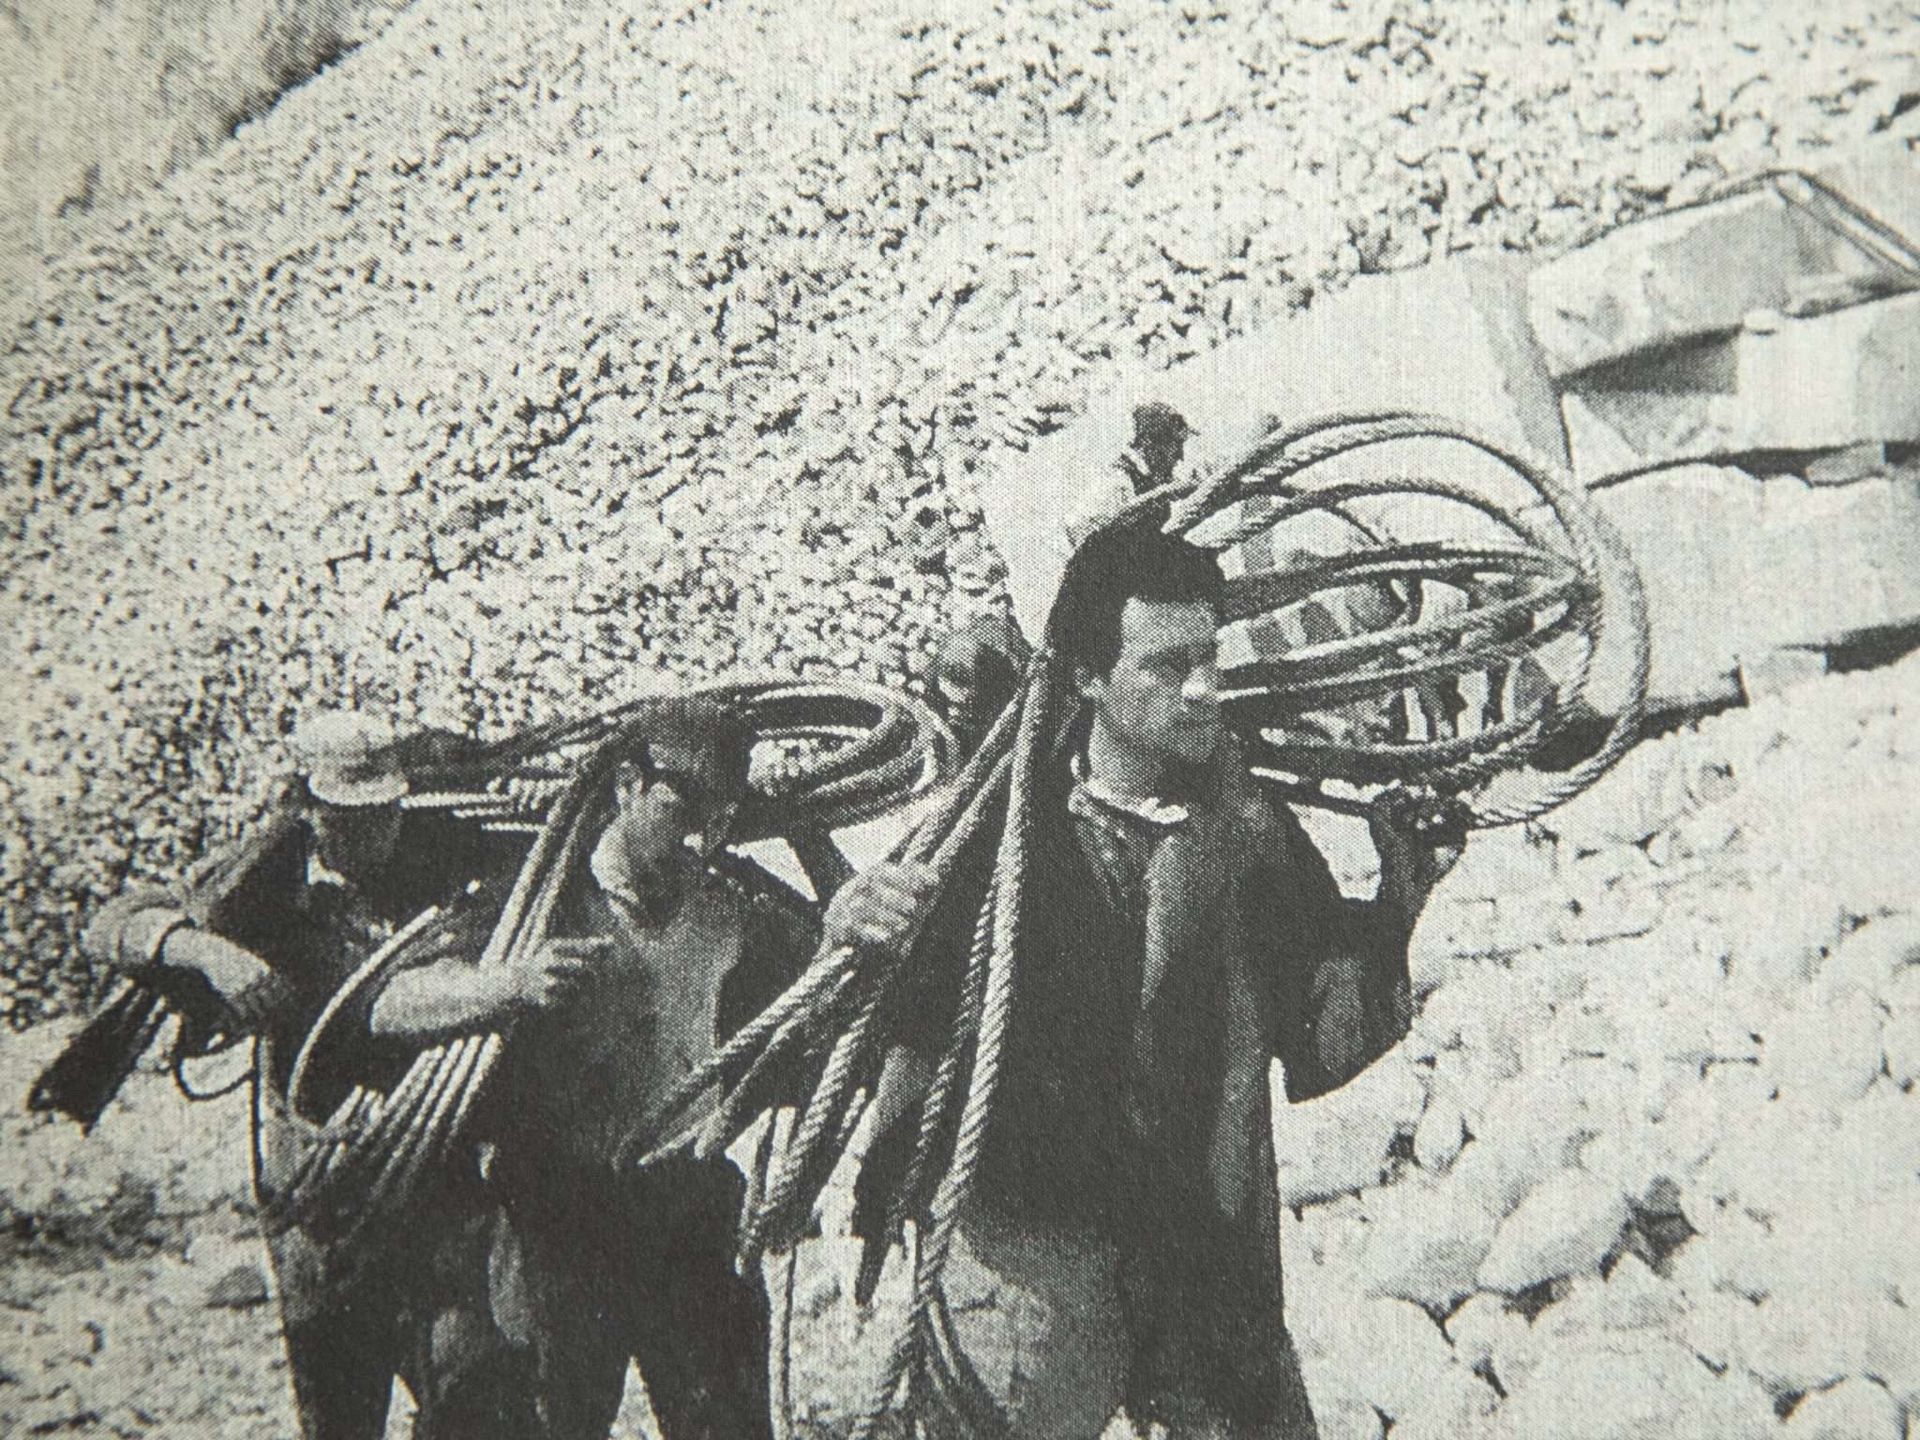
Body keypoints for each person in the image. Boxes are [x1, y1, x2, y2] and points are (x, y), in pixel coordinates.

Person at [823, 520, 1466, 1438]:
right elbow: (884, 1033)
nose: (1202, 687)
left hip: (1204, 1256)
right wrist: (848, 932)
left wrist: (1403, 897)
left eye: (1207, 658)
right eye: (1166, 666)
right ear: (1089, 678)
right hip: (1031, 1265)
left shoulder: (1247, 833)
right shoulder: (996, 839)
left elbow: (1322, 1030)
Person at [80, 710, 566, 1440]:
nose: (374, 832)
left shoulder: (437, 853)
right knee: (341, 1410)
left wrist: (535, 807)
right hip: (323, 1199)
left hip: (439, 1182)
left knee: (478, 1397)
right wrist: (207, 953)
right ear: (308, 809)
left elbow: (556, 851)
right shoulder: (264, 889)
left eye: (385, 812)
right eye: (350, 816)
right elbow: (114, 925)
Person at [480, 697, 844, 1440]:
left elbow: (838, 966)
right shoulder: (539, 900)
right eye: (686, 805)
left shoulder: (729, 905)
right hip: (560, 1208)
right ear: (628, 784)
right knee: (554, 1420)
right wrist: (508, 986)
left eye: (723, 813)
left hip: (685, 1200)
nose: (704, 834)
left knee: (727, 1423)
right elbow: (409, 999)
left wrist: (807, 833)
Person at [1064, 400, 1195, 549]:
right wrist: (1163, 494)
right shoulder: (1118, 479)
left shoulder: (1150, 480)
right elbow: (1079, 530)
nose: (1180, 456)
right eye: (1175, 445)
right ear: (1148, 442)